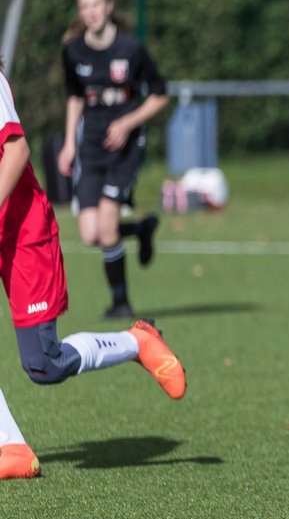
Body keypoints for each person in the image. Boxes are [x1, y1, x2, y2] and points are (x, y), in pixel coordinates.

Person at [0, 63, 186, 480]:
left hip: (23, 233)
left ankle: (136, 341)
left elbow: (16, 151)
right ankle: (9, 444)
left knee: (44, 365)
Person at [58, 0, 169, 320]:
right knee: (90, 233)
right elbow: (75, 97)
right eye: (84, 6)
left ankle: (121, 303)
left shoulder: (131, 49)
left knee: (107, 227)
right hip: (90, 147)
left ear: (108, 6)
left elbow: (160, 94)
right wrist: (68, 144)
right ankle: (139, 230)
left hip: (124, 149)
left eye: (96, 4)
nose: (91, 11)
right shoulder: (73, 51)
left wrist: (127, 123)